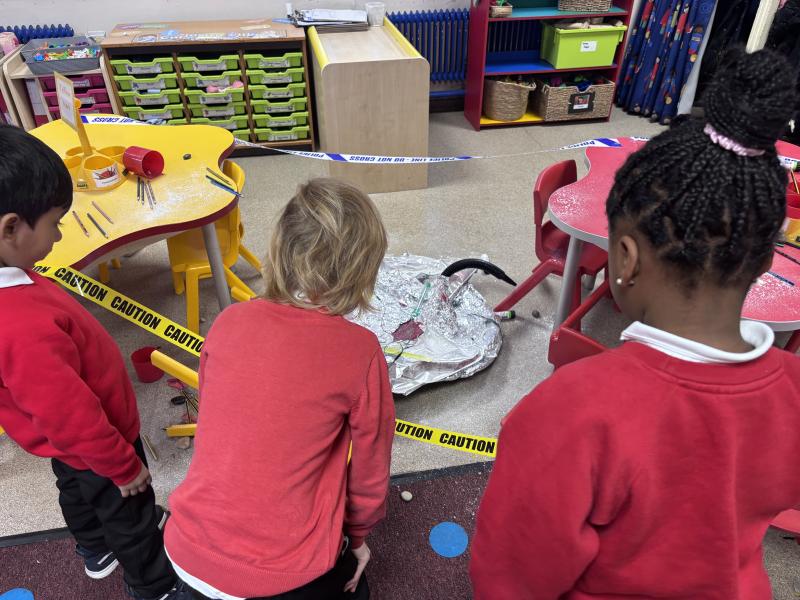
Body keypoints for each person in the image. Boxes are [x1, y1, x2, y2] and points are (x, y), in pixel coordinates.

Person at [470, 47, 800, 599]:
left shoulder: (571, 409)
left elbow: (513, 573)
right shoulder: (793, 390)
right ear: (766, 261)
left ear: (624, 259)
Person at [164, 178, 395, 600]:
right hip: (287, 570)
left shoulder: (228, 321)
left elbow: (215, 416)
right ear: (363, 271)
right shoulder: (361, 350)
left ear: (280, 248)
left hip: (187, 548)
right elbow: (370, 470)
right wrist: (358, 536)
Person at [0, 125, 188, 600]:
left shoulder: (14, 279)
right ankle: (154, 585)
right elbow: (69, 414)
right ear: (10, 228)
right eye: (54, 223)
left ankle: (95, 549)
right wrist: (122, 467)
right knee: (131, 513)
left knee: (76, 491)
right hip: (101, 443)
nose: (59, 235)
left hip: (64, 445)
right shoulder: (19, 326)